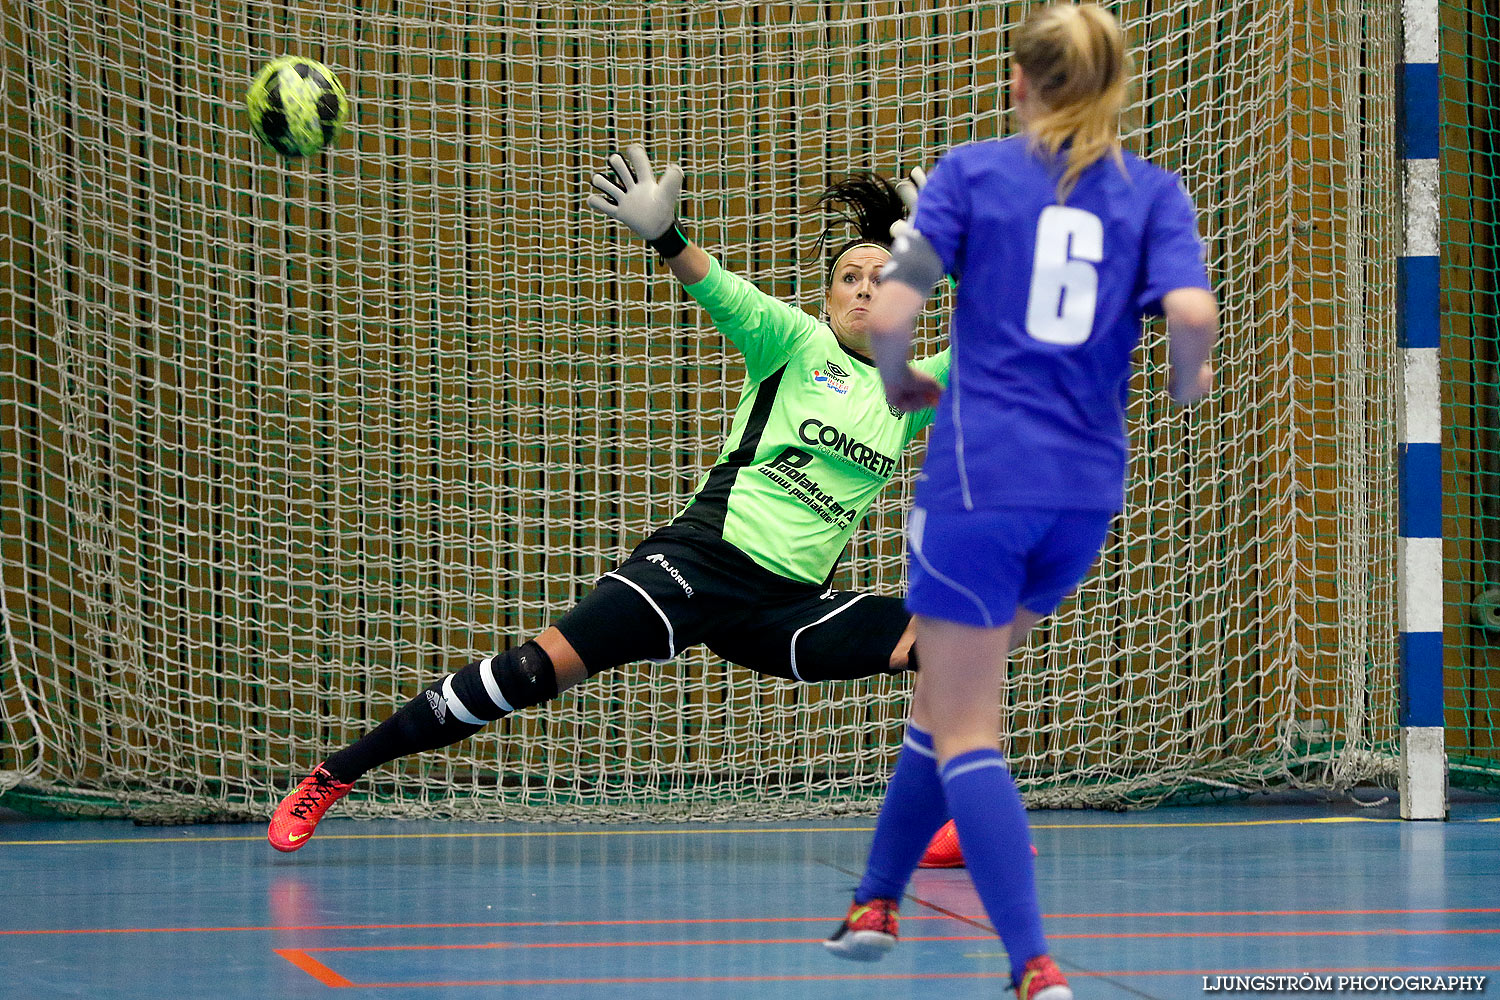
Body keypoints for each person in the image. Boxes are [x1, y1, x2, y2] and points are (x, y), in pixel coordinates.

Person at [266, 144, 952, 852]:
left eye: (883, 276)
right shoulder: (793, 341)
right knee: (531, 671)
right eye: (848, 277)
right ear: (829, 294)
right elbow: (713, 285)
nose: (864, 289)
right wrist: (666, 234)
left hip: (787, 608)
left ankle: (937, 817)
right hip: (697, 565)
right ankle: (336, 775)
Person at [821, 6, 1219, 1000]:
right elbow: (1193, 314)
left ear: (1018, 82)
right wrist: (1185, 380)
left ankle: (1032, 966)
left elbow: (899, 302)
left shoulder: (973, 173)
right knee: (943, 699)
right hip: (1083, 497)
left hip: (980, 481)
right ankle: (874, 897)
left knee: (967, 726)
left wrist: (902, 376)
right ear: (1113, 88)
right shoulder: (1152, 193)